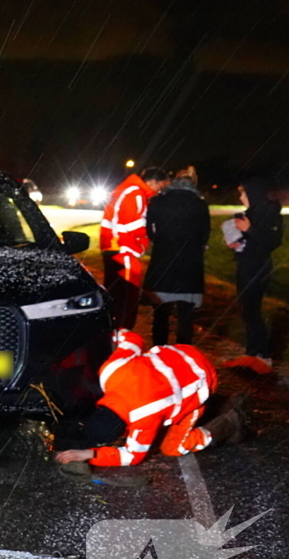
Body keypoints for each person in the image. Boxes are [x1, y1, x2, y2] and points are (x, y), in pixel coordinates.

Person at [55, 329, 244, 467]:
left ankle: (227, 423)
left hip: (204, 378)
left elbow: (132, 456)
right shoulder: (110, 373)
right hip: (182, 353)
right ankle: (220, 404)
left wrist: (91, 454)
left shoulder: (144, 419)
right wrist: (107, 335)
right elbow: (132, 338)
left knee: (172, 448)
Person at [143, 166, 210, 345]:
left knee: (160, 315)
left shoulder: (157, 201)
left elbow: (149, 230)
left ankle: (159, 352)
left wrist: (161, 241)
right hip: (190, 264)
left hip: (163, 261)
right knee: (185, 316)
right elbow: (205, 234)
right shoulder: (200, 204)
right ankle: (183, 353)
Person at [223, 178, 283, 374]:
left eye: (243, 193)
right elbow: (250, 242)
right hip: (246, 264)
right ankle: (253, 353)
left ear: (253, 194)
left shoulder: (269, 213)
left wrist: (249, 229)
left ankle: (262, 356)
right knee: (247, 310)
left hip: (257, 267)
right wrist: (236, 242)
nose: (240, 197)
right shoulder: (251, 214)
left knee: (252, 310)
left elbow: (271, 242)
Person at [100, 167, 170, 330]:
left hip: (113, 247)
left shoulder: (126, 190)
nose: (159, 190)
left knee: (115, 295)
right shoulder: (135, 193)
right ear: (153, 182)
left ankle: (113, 332)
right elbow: (134, 225)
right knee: (127, 298)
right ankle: (123, 336)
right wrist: (143, 244)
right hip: (124, 250)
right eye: (160, 185)